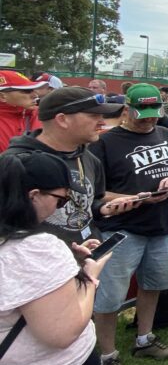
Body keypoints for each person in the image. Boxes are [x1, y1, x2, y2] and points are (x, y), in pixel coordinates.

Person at [87, 84, 168, 365]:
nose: (147, 120)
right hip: (120, 230)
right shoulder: (104, 142)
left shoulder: (165, 133)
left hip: (160, 225)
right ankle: (107, 356)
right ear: (127, 109)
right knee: (109, 298)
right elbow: (95, 192)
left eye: (152, 114)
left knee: (154, 284)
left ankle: (144, 338)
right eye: (141, 114)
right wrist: (137, 197)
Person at [0, 152, 111, 365]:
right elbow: (63, 332)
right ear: (34, 196)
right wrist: (90, 277)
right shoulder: (37, 248)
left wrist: (67, 269)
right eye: (61, 201)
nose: (59, 208)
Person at [2, 87, 137, 246]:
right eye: (94, 115)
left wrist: (102, 209)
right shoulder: (16, 163)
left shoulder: (89, 158)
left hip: (86, 256)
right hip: (38, 265)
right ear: (62, 119)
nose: (102, 122)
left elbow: (90, 202)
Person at [0, 71, 46, 153]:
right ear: (2, 96)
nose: (35, 95)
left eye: (33, 90)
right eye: (26, 91)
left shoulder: (43, 114)